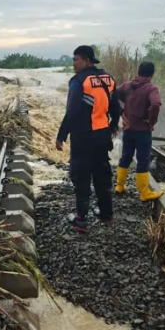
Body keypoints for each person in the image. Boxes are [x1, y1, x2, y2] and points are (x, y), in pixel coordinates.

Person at [56, 46, 120, 233]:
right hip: (102, 136)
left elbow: (73, 111)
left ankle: (81, 220)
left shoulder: (78, 81)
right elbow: (115, 105)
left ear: (85, 60)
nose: (73, 63)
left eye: (75, 60)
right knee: (102, 174)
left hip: (83, 137)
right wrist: (114, 124)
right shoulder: (108, 78)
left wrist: (61, 135)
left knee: (81, 176)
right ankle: (106, 214)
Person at [114, 61, 163, 201]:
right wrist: (151, 121)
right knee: (143, 159)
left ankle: (119, 186)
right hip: (142, 130)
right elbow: (155, 104)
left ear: (138, 72)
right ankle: (144, 193)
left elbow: (111, 94)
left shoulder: (127, 85)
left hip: (128, 130)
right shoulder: (151, 88)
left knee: (126, 156)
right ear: (152, 74)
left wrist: (121, 111)